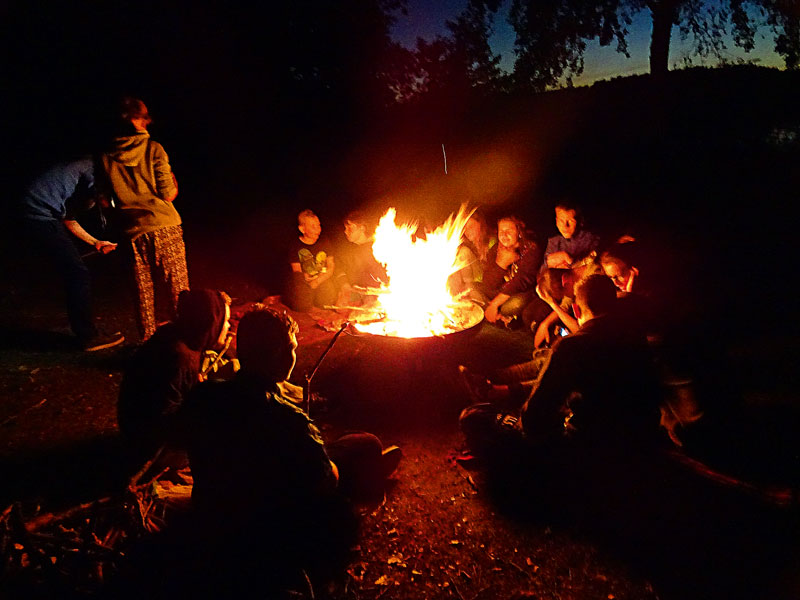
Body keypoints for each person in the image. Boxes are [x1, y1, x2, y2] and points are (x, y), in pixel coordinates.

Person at [179, 307, 401, 577]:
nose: (294, 356)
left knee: (348, 447)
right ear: (279, 356)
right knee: (364, 448)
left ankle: (366, 464)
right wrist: (327, 460)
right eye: (292, 348)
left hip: (212, 513)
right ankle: (366, 471)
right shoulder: (288, 418)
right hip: (265, 531)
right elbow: (325, 481)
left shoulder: (203, 396)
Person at [460, 275, 663, 473]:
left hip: (589, 447)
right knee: (549, 365)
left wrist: (519, 427)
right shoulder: (633, 333)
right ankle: (497, 388)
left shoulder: (574, 345)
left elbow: (535, 417)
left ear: (575, 308)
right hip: (638, 437)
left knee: (474, 416)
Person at [100, 97, 189, 342]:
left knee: (143, 293)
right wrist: (173, 179)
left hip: (132, 231)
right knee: (178, 290)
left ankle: (148, 347)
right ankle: (185, 345)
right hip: (164, 226)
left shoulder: (106, 157)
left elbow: (105, 201)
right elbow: (168, 193)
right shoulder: (154, 149)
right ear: (140, 120)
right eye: (144, 118)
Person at [19, 158, 124, 351]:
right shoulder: (92, 169)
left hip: (36, 212)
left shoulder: (76, 177)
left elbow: (68, 218)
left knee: (73, 270)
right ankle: (87, 336)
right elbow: (103, 198)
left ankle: (85, 331)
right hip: (37, 213)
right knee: (77, 272)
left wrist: (96, 242)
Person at [117, 288, 232, 461]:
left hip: (135, 426)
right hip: (148, 442)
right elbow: (163, 419)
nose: (229, 326)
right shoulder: (179, 357)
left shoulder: (180, 335)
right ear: (212, 321)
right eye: (227, 321)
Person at [481, 216, 543, 327]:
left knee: (515, 304)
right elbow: (487, 283)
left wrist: (495, 303)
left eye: (508, 231)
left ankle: (495, 312)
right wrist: (501, 264)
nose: (504, 235)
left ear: (519, 232)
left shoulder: (531, 248)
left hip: (518, 294)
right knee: (472, 288)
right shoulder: (495, 249)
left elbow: (521, 282)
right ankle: (500, 316)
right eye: (501, 231)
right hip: (499, 293)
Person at [284, 209, 338, 312]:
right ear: (302, 229)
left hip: (321, 280)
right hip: (305, 283)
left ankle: (317, 303)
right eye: (313, 227)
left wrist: (317, 281)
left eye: (318, 225)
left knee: (328, 300)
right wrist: (308, 281)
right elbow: (297, 272)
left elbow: (331, 266)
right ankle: (305, 305)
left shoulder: (324, 241)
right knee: (301, 304)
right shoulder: (295, 246)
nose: (318, 230)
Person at [336, 210, 387, 306]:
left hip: (374, 293)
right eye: (345, 228)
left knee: (368, 307)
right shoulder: (349, 249)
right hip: (355, 291)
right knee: (340, 306)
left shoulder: (378, 249)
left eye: (350, 228)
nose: (345, 231)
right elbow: (339, 266)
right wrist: (344, 285)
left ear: (362, 228)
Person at [448, 211, 494, 303]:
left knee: (463, 252)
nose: (467, 231)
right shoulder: (471, 244)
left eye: (471, 226)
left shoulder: (492, 242)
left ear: (480, 225)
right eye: (465, 228)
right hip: (475, 279)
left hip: (485, 281)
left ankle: (471, 292)